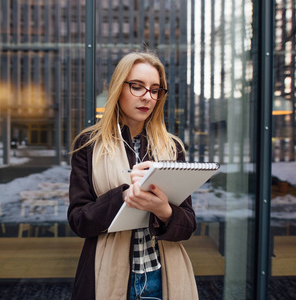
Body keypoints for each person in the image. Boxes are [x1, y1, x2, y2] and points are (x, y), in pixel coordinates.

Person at [68, 51, 199, 300]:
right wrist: (124, 195)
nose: (147, 97)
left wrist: (165, 211)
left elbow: (188, 226)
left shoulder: (172, 148)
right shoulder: (89, 145)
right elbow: (79, 221)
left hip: (163, 276)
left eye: (155, 89)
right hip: (107, 275)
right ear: (119, 88)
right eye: (137, 87)